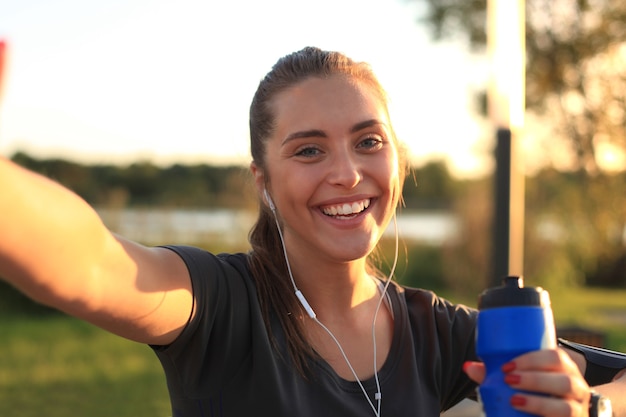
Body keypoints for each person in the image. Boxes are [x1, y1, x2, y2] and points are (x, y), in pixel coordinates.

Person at [0, 46, 624, 417]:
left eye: (368, 141)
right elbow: (91, 266)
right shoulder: (220, 304)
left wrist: (591, 405)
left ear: (397, 159)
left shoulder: (440, 330)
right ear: (263, 180)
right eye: (308, 151)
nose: (348, 174)